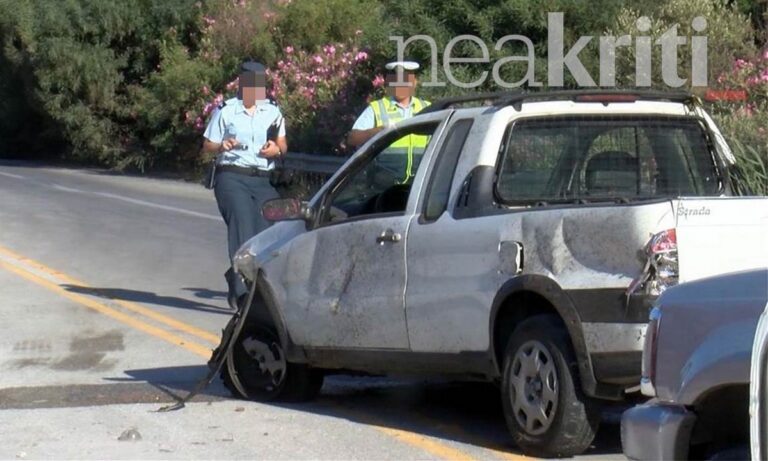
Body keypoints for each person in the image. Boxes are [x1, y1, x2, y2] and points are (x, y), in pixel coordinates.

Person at [201, 61, 287, 309]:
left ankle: (240, 276)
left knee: (265, 235)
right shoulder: (226, 110)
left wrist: (276, 149)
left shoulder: (272, 110)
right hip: (232, 176)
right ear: (242, 84)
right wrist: (222, 145)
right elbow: (207, 145)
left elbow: (283, 144)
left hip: (262, 178)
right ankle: (243, 294)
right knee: (243, 227)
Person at [347, 60, 431, 183]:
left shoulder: (426, 108)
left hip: (417, 185)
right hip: (384, 185)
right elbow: (352, 138)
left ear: (414, 82)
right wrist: (378, 131)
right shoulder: (377, 107)